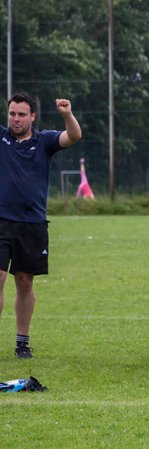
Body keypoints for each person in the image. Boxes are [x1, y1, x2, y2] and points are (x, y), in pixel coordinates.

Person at [0, 93, 82, 358]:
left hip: (32, 224)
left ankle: (22, 341)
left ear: (32, 116)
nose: (16, 119)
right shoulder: (2, 138)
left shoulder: (44, 140)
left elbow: (74, 136)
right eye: (12, 113)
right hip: (2, 222)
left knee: (24, 282)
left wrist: (67, 114)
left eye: (21, 114)